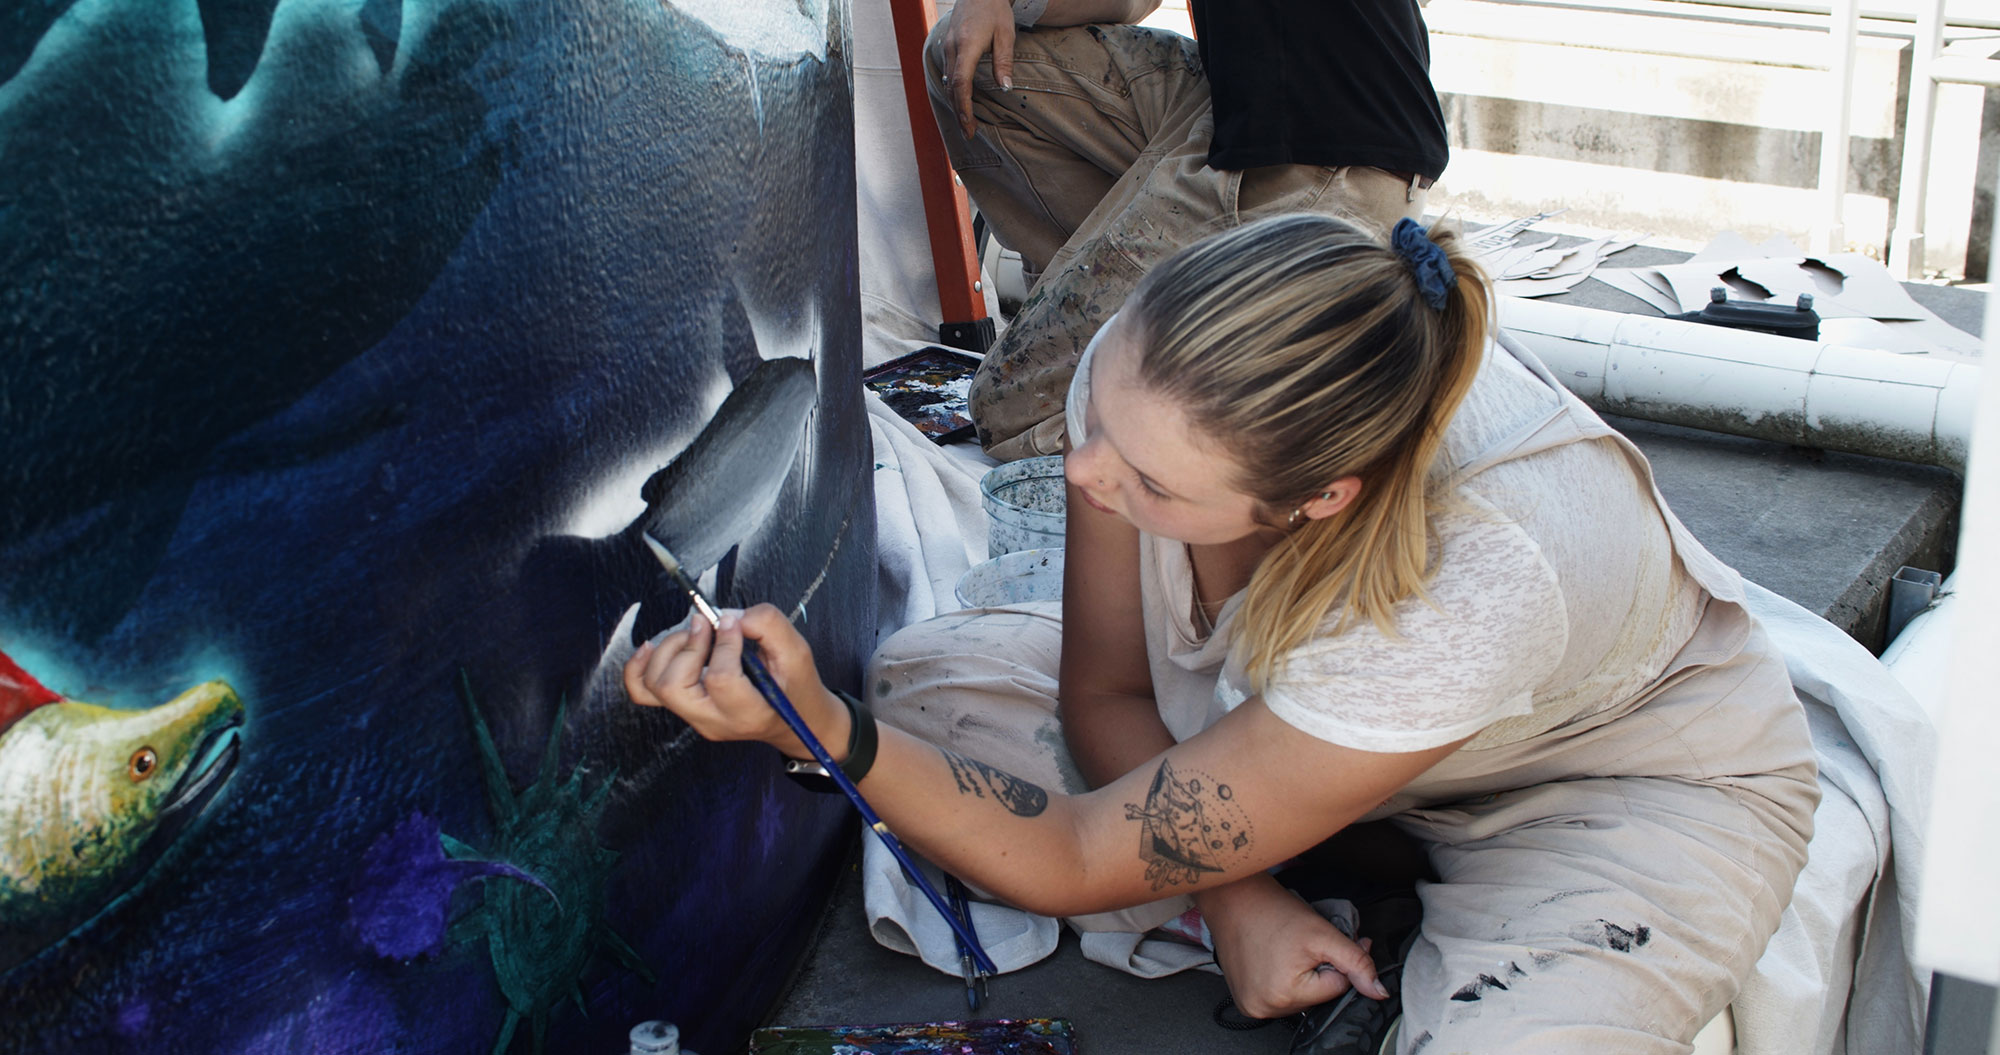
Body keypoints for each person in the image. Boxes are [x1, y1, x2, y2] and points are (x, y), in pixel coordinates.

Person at [625, 215, 1819, 1053]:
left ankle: (1374, 907)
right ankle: (1322, 886)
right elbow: (1099, 689)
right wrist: (1236, 896)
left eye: (1147, 480)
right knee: (939, 679)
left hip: (1598, 791)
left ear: (1319, 500)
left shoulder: (1477, 580)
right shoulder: (1161, 375)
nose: (1082, 474)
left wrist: (828, 731)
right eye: (1100, 421)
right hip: (1334, 745)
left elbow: (1079, 852)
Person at [925, 0, 1449, 461]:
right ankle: (1086, 321)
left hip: (1317, 160)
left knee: (1013, 405)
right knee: (972, 56)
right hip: (1232, 103)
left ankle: (1241, 428)